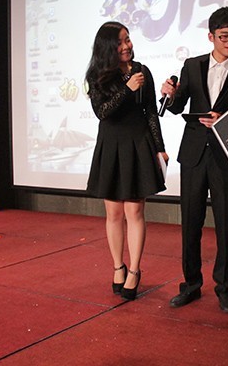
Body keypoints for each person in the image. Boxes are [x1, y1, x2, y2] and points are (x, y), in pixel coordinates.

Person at [159, 6, 228, 313]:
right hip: (194, 153)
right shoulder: (192, 65)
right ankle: (191, 285)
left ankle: (225, 288)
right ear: (211, 36)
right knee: (190, 222)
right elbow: (177, 106)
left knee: (226, 223)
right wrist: (170, 94)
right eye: (225, 36)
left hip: (225, 153)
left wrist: (225, 119)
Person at [85, 21, 169, 301]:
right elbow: (103, 112)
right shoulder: (97, 75)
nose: (127, 46)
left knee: (135, 212)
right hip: (111, 145)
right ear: (108, 47)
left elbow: (151, 112)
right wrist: (127, 89)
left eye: (128, 39)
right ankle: (117, 267)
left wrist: (160, 148)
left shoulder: (142, 70)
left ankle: (134, 270)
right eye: (120, 42)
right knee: (113, 214)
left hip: (137, 143)